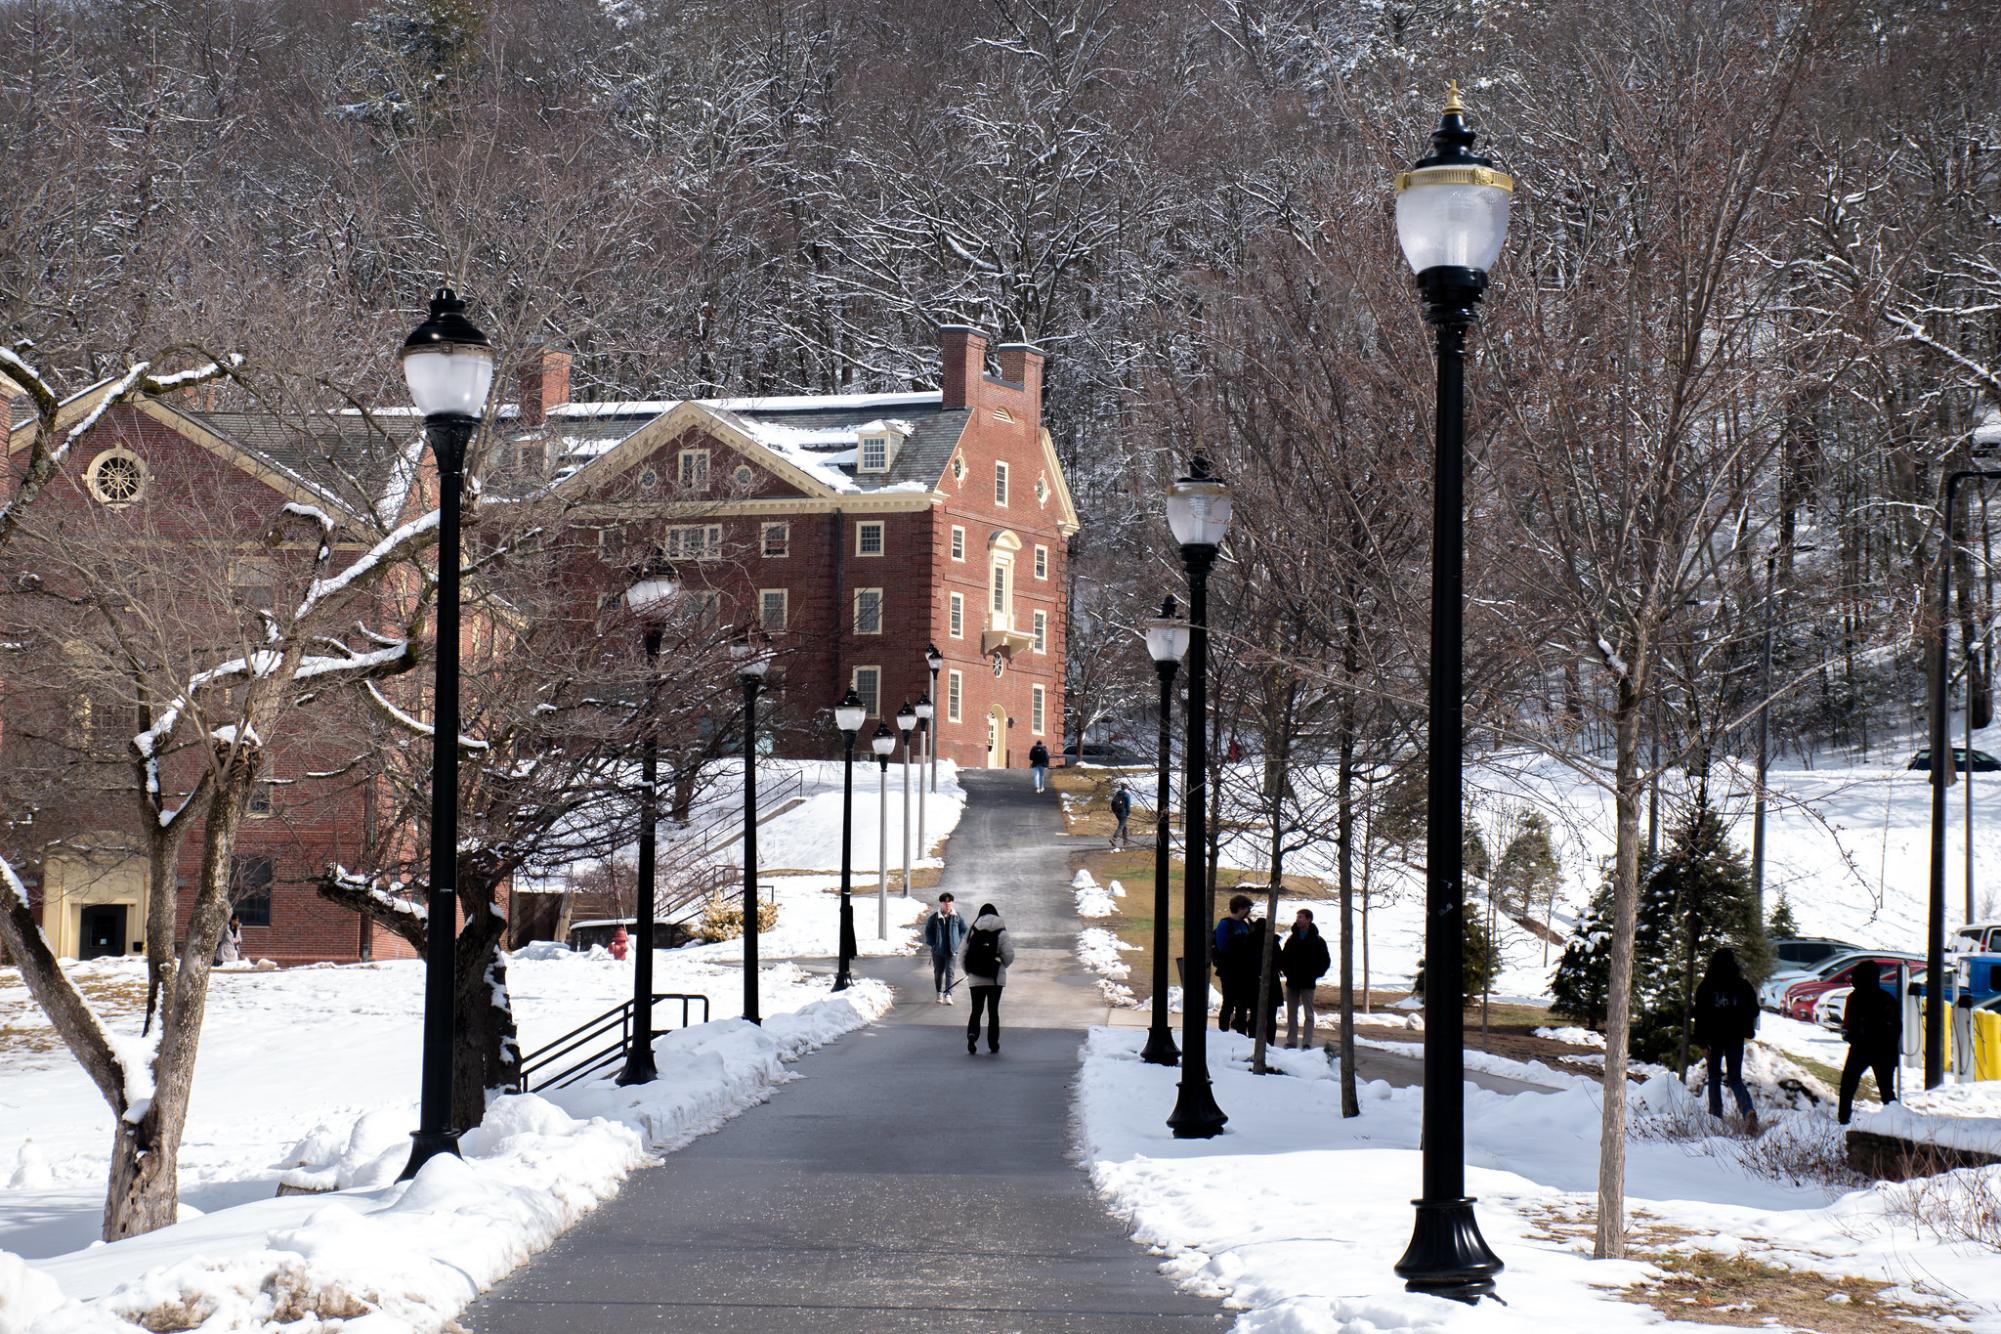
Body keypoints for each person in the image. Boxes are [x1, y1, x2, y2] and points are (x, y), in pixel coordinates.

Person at [1693, 947, 1760, 1128]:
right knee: (1735, 1078)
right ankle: (1748, 1110)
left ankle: (1715, 1117)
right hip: (1735, 1037)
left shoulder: (1705, 987)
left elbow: (1699, 1016)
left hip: (1713, 1038)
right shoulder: (1742, 985)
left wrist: (1701, 1042)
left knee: (1714, 1076)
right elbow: (1754, 1010)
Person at [1838, 959, 1901, 1125]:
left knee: (1848, 1085)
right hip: (1883, 1050)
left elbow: (1849, 1025)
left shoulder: (1855, 998)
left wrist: (1852, 1037)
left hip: (1862, 1049)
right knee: (1886, 1090)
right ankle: (1895, 1121)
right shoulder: (1887, 999)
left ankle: (1843, 1119)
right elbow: (1896, 1028)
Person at [960, 902, 1016, 1054]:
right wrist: (1000, 965)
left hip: (975, 979)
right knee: (993, 1011)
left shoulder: (972, 930)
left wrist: (969, 971)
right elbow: (1009, 955)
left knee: (976, 1010)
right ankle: (993, 1043)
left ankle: (972, 1035)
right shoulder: (1001, 931)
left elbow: (962, 954)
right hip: (994, 979)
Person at [1279, 908, 1331, 1049]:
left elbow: (1325, 961)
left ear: (1309, 919)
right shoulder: (1292, 939)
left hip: (1308, 982)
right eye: (1297, 917)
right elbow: (1284, 958)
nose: (1298, 920)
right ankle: (1291, 1041)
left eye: (1301, 917)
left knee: (1309, 1014)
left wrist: (1315, 973)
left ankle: (1307, 1042)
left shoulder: (1318, 941)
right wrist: (1287, 971)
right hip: (1293, 981)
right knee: (1291, 1013)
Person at [1213, 894, 1255, 1034]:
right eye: (1247, 908)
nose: (1249, 912)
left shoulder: (1245, 925)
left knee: (1242, 1005)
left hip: (1243, 971)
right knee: (1229, 1003)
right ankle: (1223, 1031)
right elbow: (1222, 946)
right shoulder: (1225, 924)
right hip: (1229, 971)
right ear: (1240, 908)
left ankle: (1241, 1033)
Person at [922, 892, 969, 1004]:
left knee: (950, 972)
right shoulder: (934, 918)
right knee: (938, 973)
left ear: (952, 903)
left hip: (952, 950)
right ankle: (939, 992)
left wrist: (958, 941)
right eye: (944, 902)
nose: (947, 904)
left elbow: (963, 929)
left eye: (949, 902)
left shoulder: (957, 916)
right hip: (938, 951)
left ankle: (948, 994)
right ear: (941, 903)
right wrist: (933, 944)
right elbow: (928, 932)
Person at [1108, 783, 1133, 849]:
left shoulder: (1118, 793)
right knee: (1121, 826)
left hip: (1117, 812)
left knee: (1124, 826)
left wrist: (1115, 812)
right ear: (1127, 788)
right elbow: (1128, 805)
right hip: (1123, 812)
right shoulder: (1126, 795)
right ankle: (1114, 838)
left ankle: (1126, 841)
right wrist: (1128, 813)